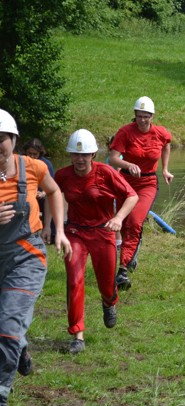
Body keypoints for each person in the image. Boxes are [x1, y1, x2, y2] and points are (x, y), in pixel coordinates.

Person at [0, 109, 72, 406]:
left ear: (13, 140)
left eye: (0, 139)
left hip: (25, 256)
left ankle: (0, 399)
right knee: (8, 328)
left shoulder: (33, 167)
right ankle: (21, 346)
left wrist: (58, 230)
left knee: (6, 329)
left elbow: (55, 191)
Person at [54, 129, 138, 354]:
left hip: (103, 232)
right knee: (74, 280)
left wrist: (118, 218)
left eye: (85, 155)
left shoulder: (106, 173)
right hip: (75, 233)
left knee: (106, 283)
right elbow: (52, 193)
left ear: (93, 155)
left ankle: (109, 301)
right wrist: (52, 228)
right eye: (75, 155)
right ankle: (77, 335)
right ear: (70, 155)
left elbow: (132, 196)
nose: (80, 160)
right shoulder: (63, 175)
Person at [108, 96, 173, 290]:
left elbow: (167, 145)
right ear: (134, 115)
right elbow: (113, 159)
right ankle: (132, 251)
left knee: (135, 222)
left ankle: (122, 270)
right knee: (124, 223)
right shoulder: (125, 132)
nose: (142, 120)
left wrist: (165, 169)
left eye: (146, 116)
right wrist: (128, 164)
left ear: (152, 116)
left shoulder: (160, 133)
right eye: (139, 116)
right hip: (126, 182)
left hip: (148, 183)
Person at [22, 138, 56, 241]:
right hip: (26, 195)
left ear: (40, 154)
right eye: (29, 153)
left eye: (35, 154)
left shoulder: (46, 164)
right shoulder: (20, 162)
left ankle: (50, 231)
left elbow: (52, 187)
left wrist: (43, 193)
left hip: (42, 195)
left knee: (51, 200)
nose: (32, 157)